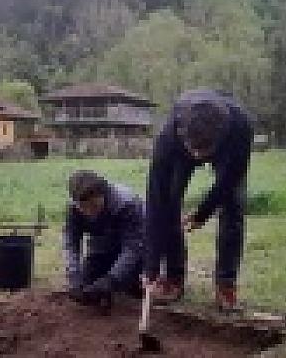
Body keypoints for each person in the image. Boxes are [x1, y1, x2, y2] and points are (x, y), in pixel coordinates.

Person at [144, 89, 254, 311]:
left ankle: (226, 285)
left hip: (226, 150)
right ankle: (173, 278)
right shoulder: (169, 138)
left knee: (233, 205)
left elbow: (229, 181)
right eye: (194, 150)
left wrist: (202, 213)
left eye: (204, 151)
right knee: (169, 205)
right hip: (179, 151)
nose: (198, 157)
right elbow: (156, 204)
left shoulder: (241, 127)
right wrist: (151, 266)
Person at [63, 170, 145, 305]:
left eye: (94, 206)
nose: (89, 212)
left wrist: (112, 279)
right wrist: (74, 275)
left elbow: (133, 248)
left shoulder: (128, 204)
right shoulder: (74, 208)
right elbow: (71, 242)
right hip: (102, 247)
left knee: (131, 287)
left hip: (138, 249)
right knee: (86, 286)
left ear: (103, 194)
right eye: (83, 208)